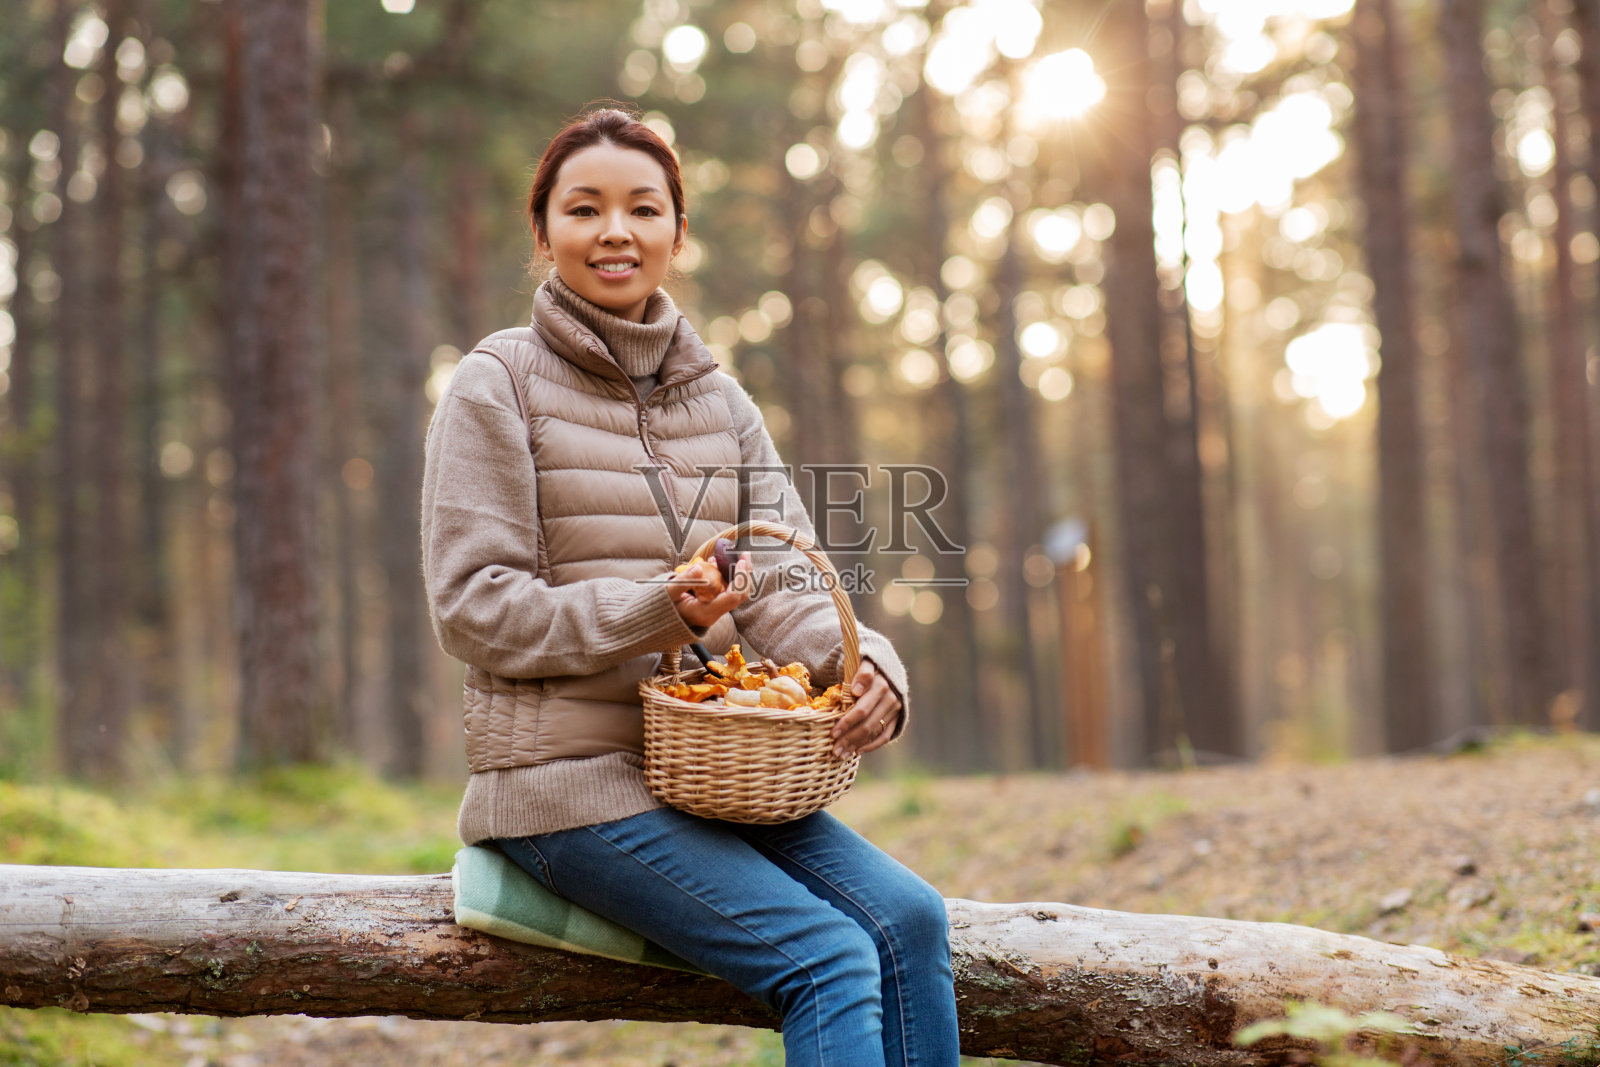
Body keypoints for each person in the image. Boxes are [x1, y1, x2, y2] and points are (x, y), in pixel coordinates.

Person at [420, 106, 960, 1066]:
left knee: (910, 920)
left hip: (711, 783)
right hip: (563, 791)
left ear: (678, 231)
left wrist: (869, 662)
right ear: (543, 231)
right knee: (830, 956)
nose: (616, 231)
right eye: (585, 209)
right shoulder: (494, 383)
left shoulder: (717, 399)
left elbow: (786, 580)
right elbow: (474, 607)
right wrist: (655, 605)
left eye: (644, 208)